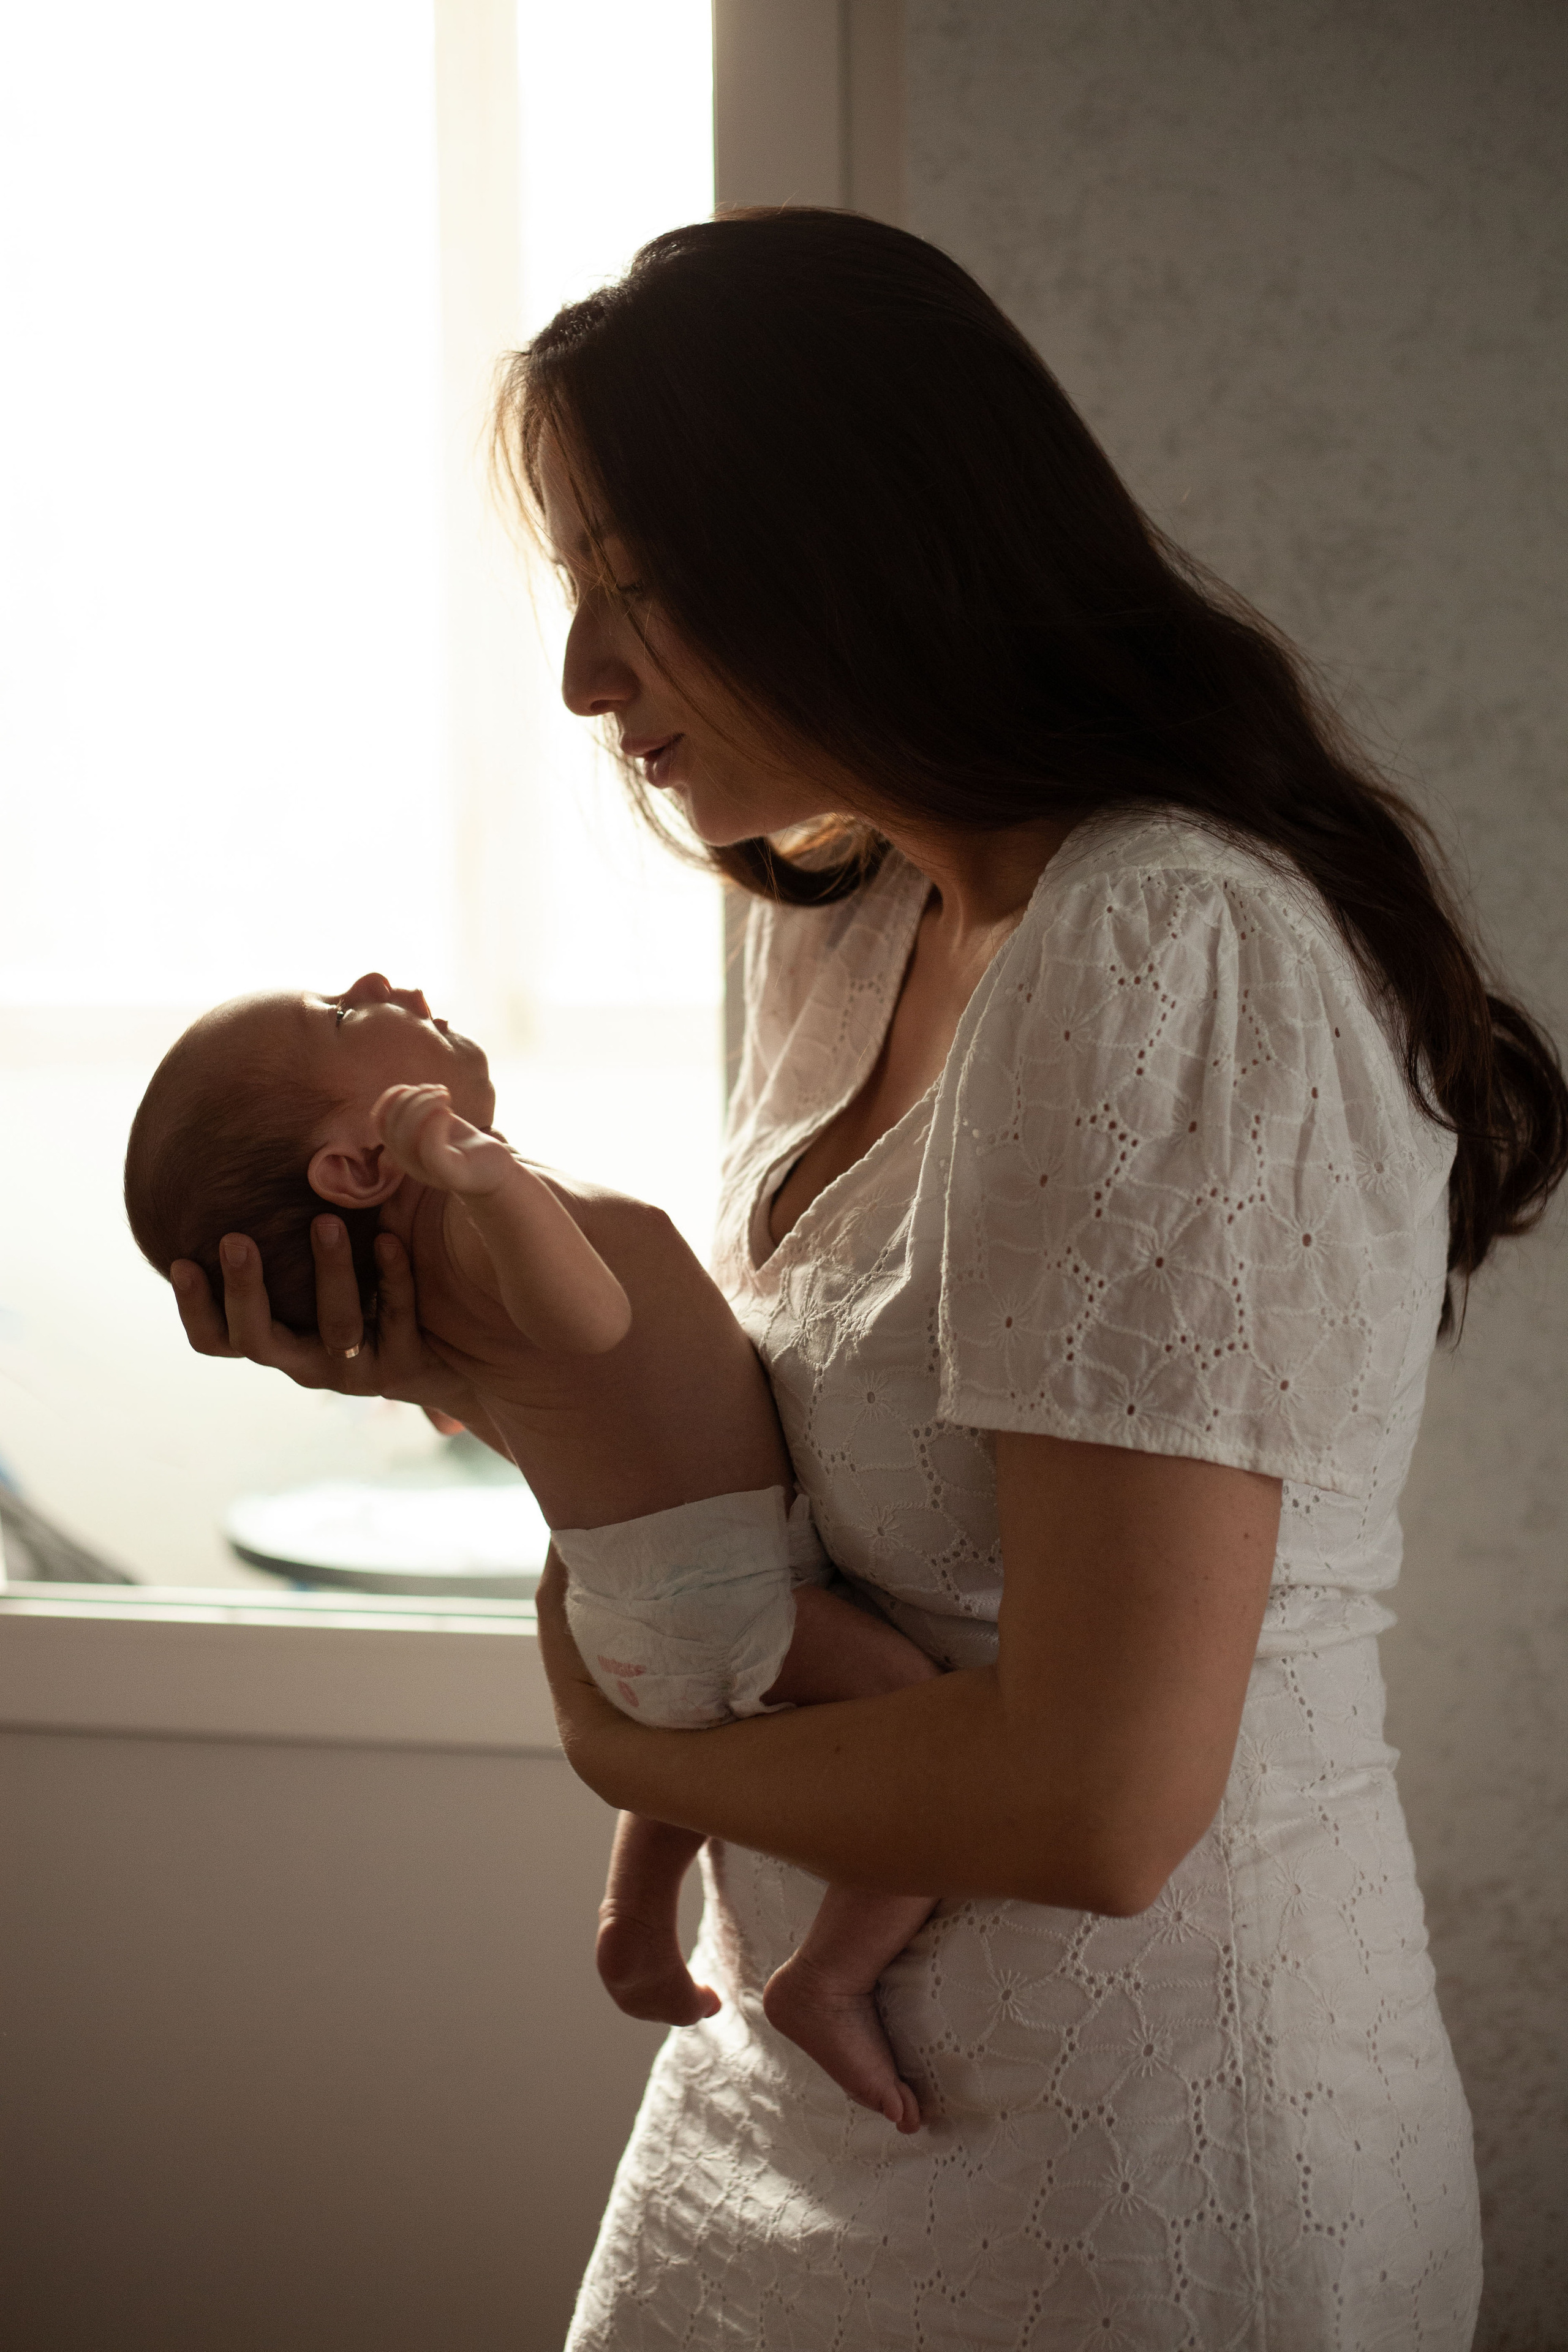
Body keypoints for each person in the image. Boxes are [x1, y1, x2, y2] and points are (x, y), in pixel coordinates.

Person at [173, 211, 1568, 2346]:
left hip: (1139, 2143)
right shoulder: (844, 925)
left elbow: (1100, 1806)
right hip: (796, 2071)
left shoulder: (1166, 939)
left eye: (635, 585)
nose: (583, 677)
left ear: (860, 547)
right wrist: (489, 1381)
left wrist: (625, 1754)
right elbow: (768, 1497)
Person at [126, 979, 947, 2127]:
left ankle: (633, 1922)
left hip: (641, 1603)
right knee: (924, 1742)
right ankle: (830, 1976)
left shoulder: (456, 1265)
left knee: (695, 1738)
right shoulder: (474, 1222)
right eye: (342, 1017)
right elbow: (592, 1321)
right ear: (359, 1169)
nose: (384, 986)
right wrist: (492, 1181)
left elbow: (539, 1396)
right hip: (716, 1595)